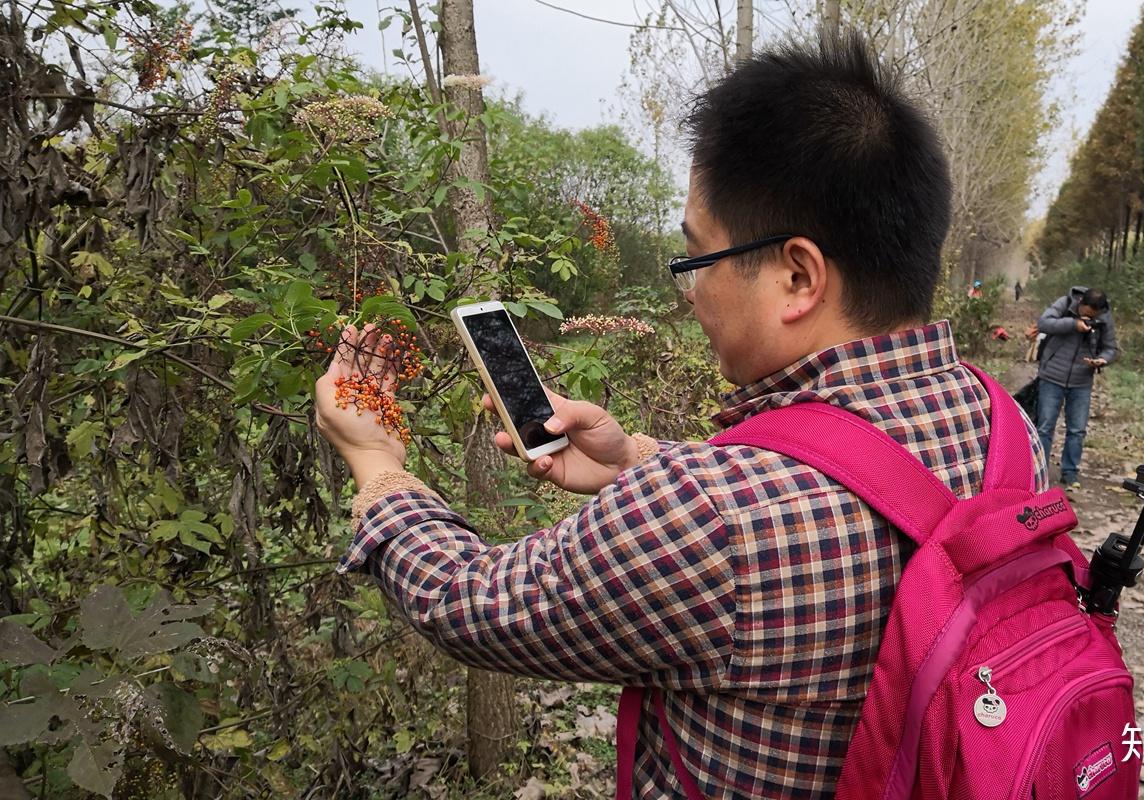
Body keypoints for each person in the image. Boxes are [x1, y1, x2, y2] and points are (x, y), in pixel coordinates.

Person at [314, 33, 1047, 799]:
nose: (689, 293)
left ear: (798, 276)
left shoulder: (709, 512)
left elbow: (473, 603)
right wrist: (637, 458)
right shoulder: (1003, 425)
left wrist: (377, 467)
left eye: (696, 259)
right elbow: (857, 483)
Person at [1034, 286, 1118, 490]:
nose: (1088, 318)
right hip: (1052, 375)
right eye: (1085, 313)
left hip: (1082, 381)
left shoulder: (1105, 318)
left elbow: (1111, 348)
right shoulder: (1065, 303)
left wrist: (1102, 360)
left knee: (1077, 430)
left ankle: (1070, 472)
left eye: (1093, 316)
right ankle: (1040, 471)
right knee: (1044, 427)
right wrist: (1073, 324)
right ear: (1081, 304)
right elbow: (1044, 323)